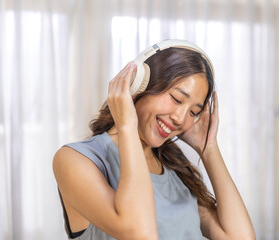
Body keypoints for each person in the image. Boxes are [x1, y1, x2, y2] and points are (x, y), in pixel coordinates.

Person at [53, 40, 255, 240]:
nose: (180, 119)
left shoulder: (176, 170)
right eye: (176, 99)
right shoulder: (76, 160)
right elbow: (140, 233)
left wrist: (209, 149)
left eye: (193, 112)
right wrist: (126, 126)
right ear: (140, 85)